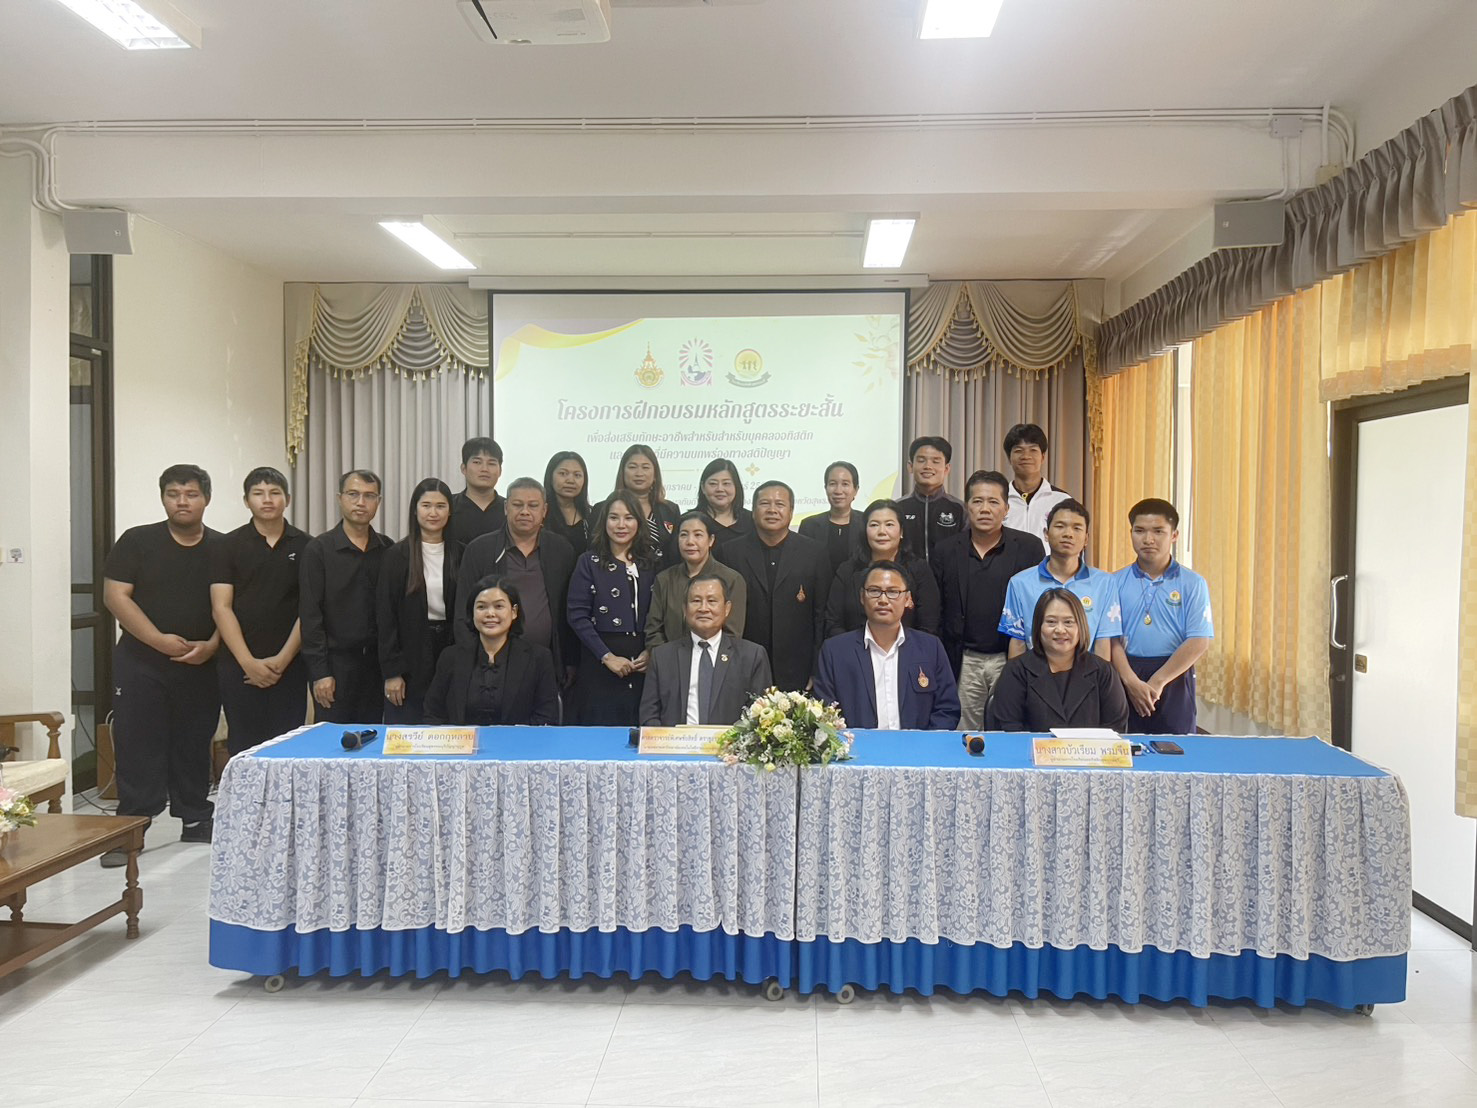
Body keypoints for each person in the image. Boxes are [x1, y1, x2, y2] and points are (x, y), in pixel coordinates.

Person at [102, 464, 222, 862]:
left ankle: (195, 816)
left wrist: (212, 645)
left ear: (206, 498)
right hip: (142, 661)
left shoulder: (222, 548)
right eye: (173, 494)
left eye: (191, 494)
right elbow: (115, 597)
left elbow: (233, 606)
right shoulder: (137, 541)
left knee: (194, 740)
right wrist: (158, 641)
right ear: (163, 498)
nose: (182, 502)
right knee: (138, 743)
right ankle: (130, 830)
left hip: (201, 661)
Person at [930, 470, 1043, 729]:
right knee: (965, 733)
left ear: (1006, 509)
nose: (985, 509)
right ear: (966, 506)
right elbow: (938, 610)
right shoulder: (946, 550)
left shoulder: (1029, 548)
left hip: (1011, 656)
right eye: (977, 501)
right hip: (964, 659)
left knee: (1010, 728)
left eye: (993, 502)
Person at [209, 466, 310, 757]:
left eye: (275, 493)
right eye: (258, 493)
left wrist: (281, 661)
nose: (267, 500)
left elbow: (309, 609)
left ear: (287, 499)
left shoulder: (308, 545)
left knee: (289, 748)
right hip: (238, 665)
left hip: (291, 665)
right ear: (246, 500)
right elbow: (221, 607)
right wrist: (248, 663)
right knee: (244, 748)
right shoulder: (226, 545)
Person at [455, 477, 578, 692]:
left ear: (544, 510)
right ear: (506, 507)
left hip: (547, 664)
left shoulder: (562, 550)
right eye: (518, 505)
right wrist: (477, 661)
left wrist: (569, 660)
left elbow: (569, 612)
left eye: (533, 505)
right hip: (492, 666)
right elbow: (462, 613)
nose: (525, 512)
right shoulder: (479, 550)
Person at [814, 562, 960, 730]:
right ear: (862, 597)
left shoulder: (930, 648)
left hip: (918, 746)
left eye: (893, 592)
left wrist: (923, 743)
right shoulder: (835, 651)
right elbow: (825, 714)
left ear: (907, 599)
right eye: (874, 591)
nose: (883, 600)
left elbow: (947, 709)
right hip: (858, 746)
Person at [1110, 498, 1214, 734]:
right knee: (1125, 746)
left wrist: (1158, 681)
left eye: (1158, 531)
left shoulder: (1192, 583)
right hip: (1126, 672)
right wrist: (1131, 682)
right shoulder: (1114, 581)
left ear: (1174, 535)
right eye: (1140, 531)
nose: (1148, 539)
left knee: (1176, 747)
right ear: (1131, 533)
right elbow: (1110, 638)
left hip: (1174, 673)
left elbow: (1199, 640)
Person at [300, 469, 394, 724]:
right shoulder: (318, 550)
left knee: (373, 737)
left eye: (369, 496)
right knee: (333, 739)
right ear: (339, 498)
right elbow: (310, 615)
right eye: (353, 494)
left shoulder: (388, 549)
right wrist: (320, 672)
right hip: (335, 666)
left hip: (376, 666)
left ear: (378, 501)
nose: (361, 502)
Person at [721, 481, 832, 692]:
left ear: (791, 511)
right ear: (753, 511)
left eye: (780, 504)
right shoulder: (730, 553)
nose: (772, 510)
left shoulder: (814, 553)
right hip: (742, 666)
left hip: (797, 669)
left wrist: (817, 667)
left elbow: (821, 616)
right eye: (765, 503)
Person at [566, 490, 658, 724]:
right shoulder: (589, 561)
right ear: (604, 521)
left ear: (639, 522)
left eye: (629, 517)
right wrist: (606, 657)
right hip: (600, 660)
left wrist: (651, 651)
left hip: (643, 663)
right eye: (614, 517)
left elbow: (661, 613)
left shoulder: (651, 562)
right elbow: (577, 615)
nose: (621, 525)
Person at [377, 478, 461, 724]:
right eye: (426, 505)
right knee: (408, 730)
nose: (433, 513)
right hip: (410, 653)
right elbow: (386, 616)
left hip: (451, 648)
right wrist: (392, 672)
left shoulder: (462, 554)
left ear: (450, 511)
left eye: (440, 506)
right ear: (415, 510)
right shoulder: (396, 555)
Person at [639, 573, 772, 727]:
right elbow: (649, 715)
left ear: (727, 608)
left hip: (730, 742)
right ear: (684, 609)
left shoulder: (752, 656)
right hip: (675, 741)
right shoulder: (662, 656)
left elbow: (761, 717)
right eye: (696, 601)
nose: (703, 608)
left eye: (712, 601)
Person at [424, 576, 560, 726]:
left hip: (517, 741)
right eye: (481, 607)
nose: (490, 614)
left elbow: (546, 717)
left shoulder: (539, 658)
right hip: (461, 741)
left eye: (499, 606)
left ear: (514, 612)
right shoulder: (450, 657)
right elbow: (433, 714)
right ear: (472, 612)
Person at [988, 588, 1129, 732]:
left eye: (1068, 622)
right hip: (1028, 747)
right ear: (1038, 626)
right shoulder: (1016, 671)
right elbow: (1009, 729)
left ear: (1081, 626)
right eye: (1051, 622)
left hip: (1092, 748)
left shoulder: (1103, 672)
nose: (1060, 630)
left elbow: (1115, 728)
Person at [1000, 499, 1121, 661]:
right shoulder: (1020, 583)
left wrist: (1099, 677)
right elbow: (1017, 642)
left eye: (1076, 528)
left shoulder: (1104, 583)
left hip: (1085, 672)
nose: (1068, 534)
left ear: (1086, 539)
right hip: (1036, 672)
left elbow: (1103, 643)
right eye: (1060, 526)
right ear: (1046, 533)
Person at [823, 499, 941, 638]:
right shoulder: (848, 570)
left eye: (889, 524)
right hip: (853, 648)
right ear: (865, 531)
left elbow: (928, 625)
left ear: (901, 531)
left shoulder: (919, 569)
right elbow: (834, 623)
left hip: (908, 648)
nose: (882, 531)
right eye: (874, 525)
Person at [645, 511, 747, 648]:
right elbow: (653, 631)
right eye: (683, 535)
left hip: (714, 659)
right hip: (669, 659)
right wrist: (668, 658)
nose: (690, 542)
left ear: (711, 540)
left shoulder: (731, 579)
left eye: (698, 535)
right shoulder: (664, 579)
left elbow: (732, 635)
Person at [609, 443, 682, 567]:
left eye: (645, 467)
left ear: (655, 474)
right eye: (632, 467)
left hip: (661, 576)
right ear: (623, 472)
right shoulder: (603, 509)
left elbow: (675, 553)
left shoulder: (670, 510)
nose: (639, 473)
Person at [1001, 423, 1071, 551]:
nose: (1026, 456)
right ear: (1009, 458)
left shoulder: (1062, 500)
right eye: (1018, 451)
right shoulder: (998, 500)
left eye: (1033, 450)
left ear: (1043, 457)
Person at [896, 436, 965, 560]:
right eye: (921, 460)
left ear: (946, 469)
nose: (928, 466)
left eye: (935, 461)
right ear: (910, 466)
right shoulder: (897, 508)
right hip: (906, 572)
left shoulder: (961, 509)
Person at [797, 460, 863, 575]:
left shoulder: (866, 522)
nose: (838, 491)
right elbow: (803, 566)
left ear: (856, 489)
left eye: (845, 484)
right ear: (825, 488)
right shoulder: (809, 525)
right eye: (832, 484)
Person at [448, 436, 506, 548]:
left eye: (491, 463)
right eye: (477, 462)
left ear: (500, 471)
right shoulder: (448, 507)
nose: (484, 469)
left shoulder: (510, 509)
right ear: (463, 468)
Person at [543, 450, 592, 556]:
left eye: (577, 475)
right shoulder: (540, 514)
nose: (570, 480)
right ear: (550, 477)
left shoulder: (592, 515)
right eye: (563, 474)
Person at [694, 457, 752, 545]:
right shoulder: (690, 521)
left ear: (736, 486)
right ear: (703, 487)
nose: (720, 489)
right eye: (713, 484)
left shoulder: (752, 520)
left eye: (726, 483)